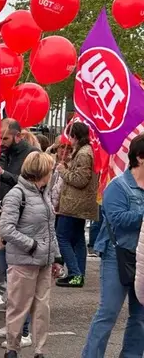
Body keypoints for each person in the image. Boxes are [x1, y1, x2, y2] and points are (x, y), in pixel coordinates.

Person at [82, 134, 144, 358]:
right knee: (108, 313)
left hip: (141, 258)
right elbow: (118, 219)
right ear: (140, 157)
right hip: (117, 256)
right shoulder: (118, 187)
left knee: (140, 316)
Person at [0, 152, 63, 358]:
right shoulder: (17, 195)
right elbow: (6, 229)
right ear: (41, 172)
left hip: (42, 261)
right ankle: (12, 348)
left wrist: (56, 257)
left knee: (42, 309)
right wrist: (33, 246)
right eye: (50, 170)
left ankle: (39, 351)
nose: (52, 173)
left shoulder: (43, 194)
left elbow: (50, 229)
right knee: (18, 307)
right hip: (24, 261)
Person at [0, 118, 38, 342]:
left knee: (21, 282)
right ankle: (13, 328)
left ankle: (24, 331)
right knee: (9, 277)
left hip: (20, 224)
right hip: (2, 220)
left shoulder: (31, 155)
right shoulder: (2, 152)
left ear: (18, 136)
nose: (1, 142)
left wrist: (3, 174)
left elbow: (32, 186)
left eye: (5, 138)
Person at [56, 121, 98, 288]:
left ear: (74, 136)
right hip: (80, 203)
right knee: (79, 238)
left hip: (75, 204)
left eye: (70, 136)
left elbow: (80, 180)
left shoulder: (83, 153)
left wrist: (63, 171)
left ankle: (75, 272)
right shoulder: (85, 151)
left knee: (62, 236)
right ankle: (78, 273)